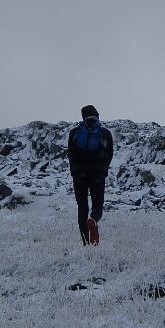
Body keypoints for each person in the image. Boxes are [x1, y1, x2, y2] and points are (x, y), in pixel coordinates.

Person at [67, 105, 114, 245]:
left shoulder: (74, 132)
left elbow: (70, 153)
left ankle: (86, 242)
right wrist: (103, 169)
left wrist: (75, 171)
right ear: (97, 116)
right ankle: (93, 220)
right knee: (97, 206)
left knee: (82, 206)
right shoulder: (105, 133)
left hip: (79, 174)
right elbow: (110, 154)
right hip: (98, 174)